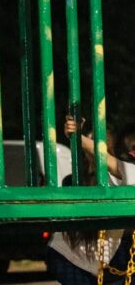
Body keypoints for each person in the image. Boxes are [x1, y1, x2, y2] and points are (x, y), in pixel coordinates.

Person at [46, 118, 135, 285]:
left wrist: (78, 138)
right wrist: (78, 138)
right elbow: (106, 160)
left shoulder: (116, 174)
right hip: (70, 257)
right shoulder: (82, 178)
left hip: (75, 258)